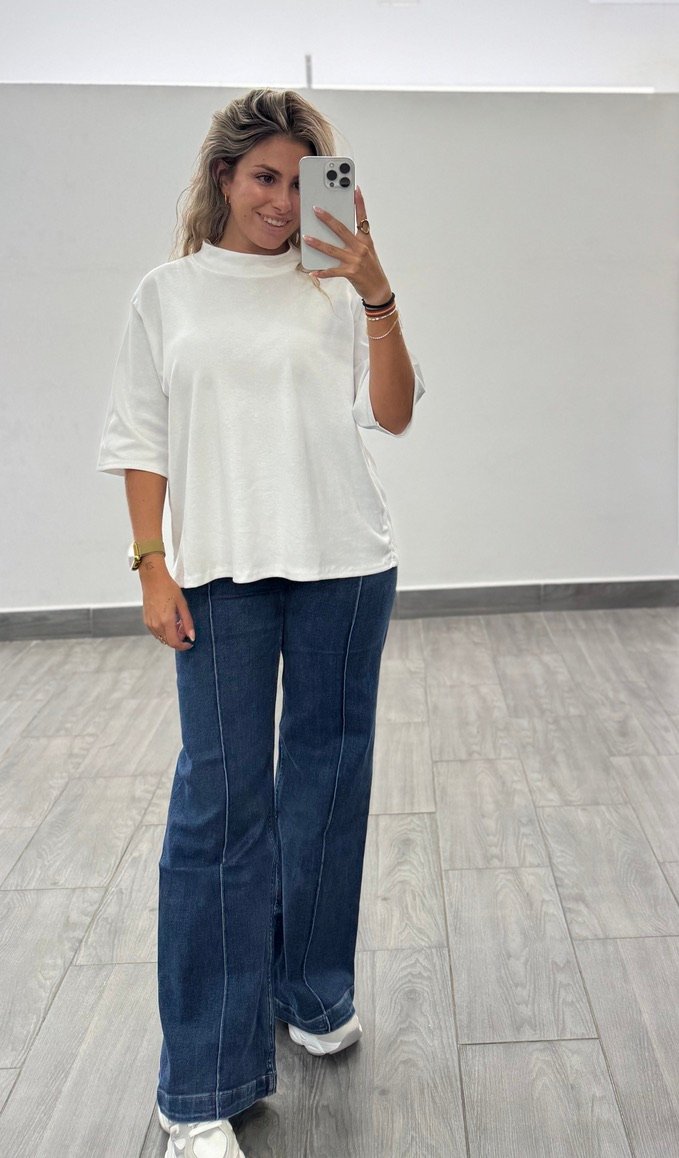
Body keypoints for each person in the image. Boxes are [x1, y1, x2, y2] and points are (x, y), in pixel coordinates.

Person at [96, 87, 425, 1158]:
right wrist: (151, 566)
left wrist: (375, 290)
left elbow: (393, 414)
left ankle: (311, 989)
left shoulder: (333, 288)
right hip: (220, 577)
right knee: (219, 816)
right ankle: (199, 1085)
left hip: (346, 565)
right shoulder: (167, 294)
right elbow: (139, 437)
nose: (282, 202)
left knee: (327, 787)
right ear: (224, 179)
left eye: (299, 180)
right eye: (263, 179)